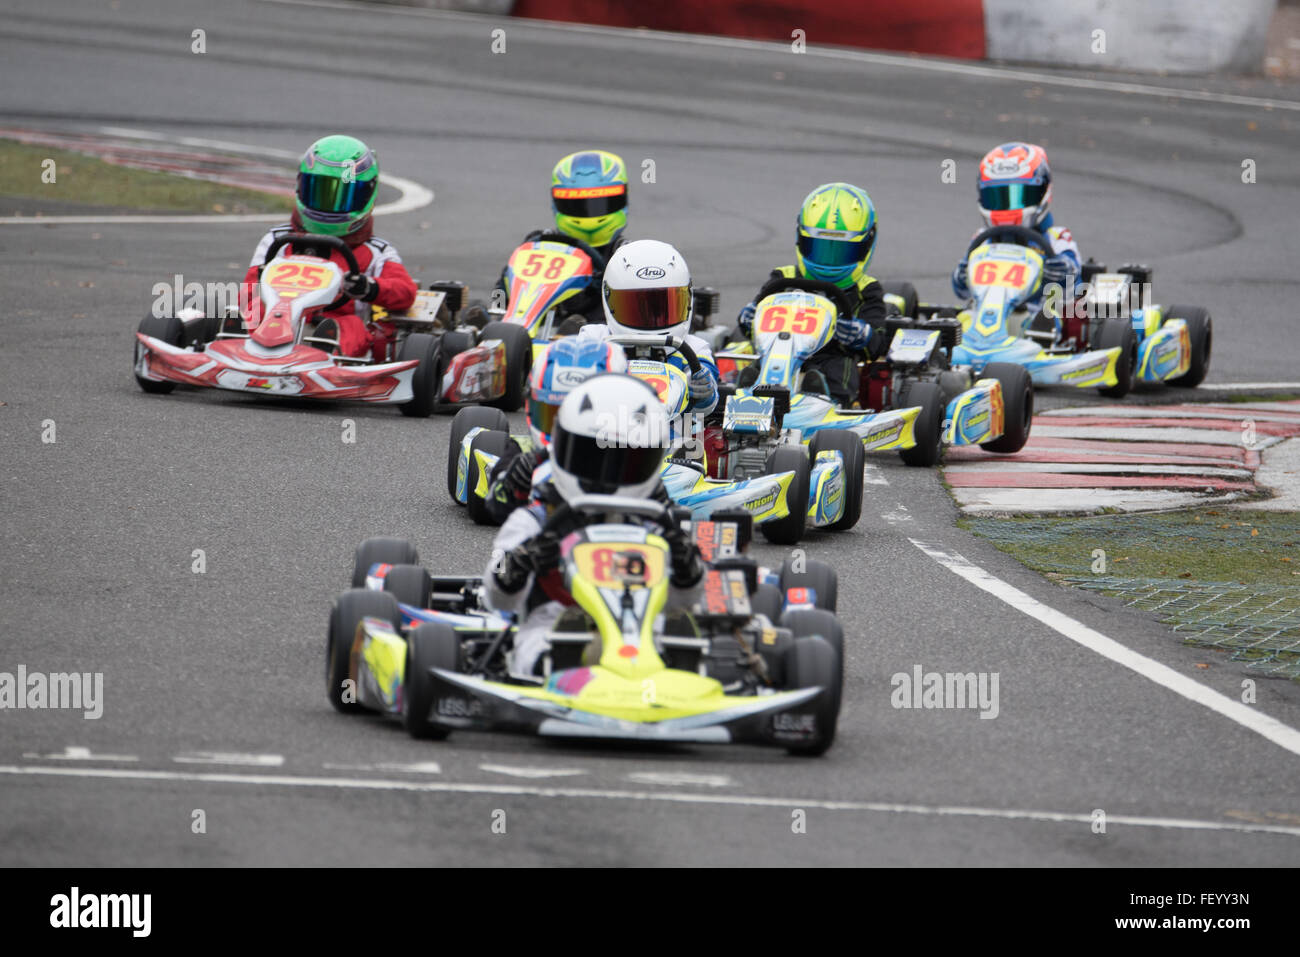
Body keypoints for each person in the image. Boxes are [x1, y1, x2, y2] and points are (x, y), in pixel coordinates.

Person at [484, 374, 704, 678]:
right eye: (592, 457)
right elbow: (497, 597)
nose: (606, 473)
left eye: (625, 461)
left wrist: (686, 570)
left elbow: (686, 601)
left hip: (640, 628)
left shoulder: (654, 526)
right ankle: (568, 664)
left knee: (677, 629)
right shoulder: (536, 520)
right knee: (536, 647)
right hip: (555, 621)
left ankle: (674, 664)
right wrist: (520, 563)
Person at [242, 135, 417, 359]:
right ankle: (236, 341)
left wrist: (369, 287)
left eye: (343, 197)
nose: (329, 207)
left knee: (350, 325)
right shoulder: (277, 240)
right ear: (301, 186)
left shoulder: (376, 252)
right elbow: (249, 289)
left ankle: (324, 352)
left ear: (367, 196)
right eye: (320, 192)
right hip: (277, 318)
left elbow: (405, 292)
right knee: (252, 309)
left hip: (334, 324)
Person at [735, 183, 887, 406]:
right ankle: (748, 391)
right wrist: (748, 318)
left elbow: (879, 341)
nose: (828, 261)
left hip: (831, 356)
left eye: (842, 251)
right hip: (779, 353)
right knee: (760, 363)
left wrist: (862, 335)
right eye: (820, 248)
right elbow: (756, 318)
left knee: (839, 367)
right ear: (802, 239)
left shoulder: (867, 289)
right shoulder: (782, 278)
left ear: (866, 244)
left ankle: (828, 401)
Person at [483, 335, 628, 524]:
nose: (569, 429)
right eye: (553, 414)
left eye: (584, 416)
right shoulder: (525, 452)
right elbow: (496, 506)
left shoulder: (632, 456)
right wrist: (516, 481)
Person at [484, 150, 629, 328]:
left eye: (599, 204)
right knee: (487, 301)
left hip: (597, 336)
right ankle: (486, 325)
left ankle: (571, 330)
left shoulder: (627, 258)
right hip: (533, 332)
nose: (589, 214)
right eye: (577, 206)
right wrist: (497, 307)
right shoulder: (538, 246)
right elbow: (500, 294)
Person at [950, 141, 1081, 317]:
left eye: (1019, 197)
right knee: (959, 317)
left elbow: (1075, 287)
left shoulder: (1056, 238)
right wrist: (961, 277)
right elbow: (962, 292)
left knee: (1048, 316)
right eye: (998, 198)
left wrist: (1062, 272)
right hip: (986, 317)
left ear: (1042, 192)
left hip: (1039, 321)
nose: (1008, 208)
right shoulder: (982, 239)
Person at [591, 238, 720, 416]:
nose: (650, 317)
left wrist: (704, 392)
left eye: (662, 307)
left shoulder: (695, 349)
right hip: (602, 432)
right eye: (635, 308)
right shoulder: (594, 340)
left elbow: (705, 407)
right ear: (608, 298)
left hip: (675, 437)